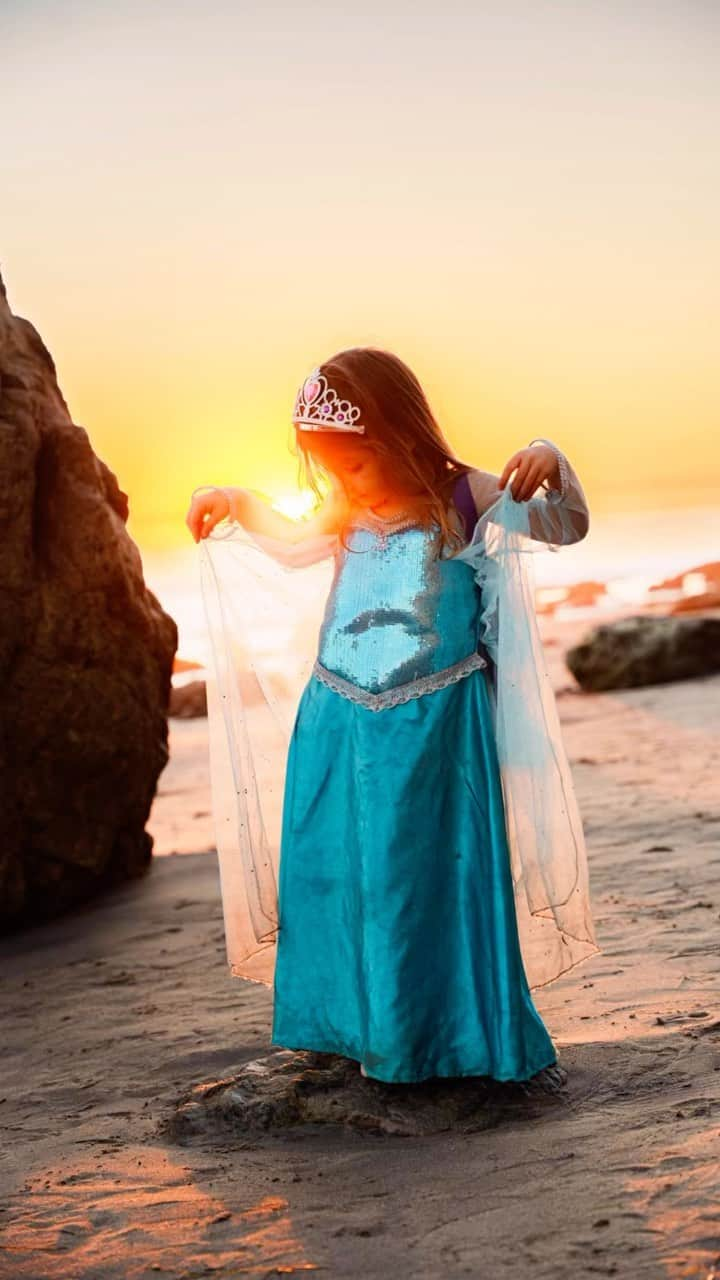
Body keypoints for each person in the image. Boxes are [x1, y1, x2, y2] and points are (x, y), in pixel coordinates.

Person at [186, 347, 600, 1085]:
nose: (342, 485)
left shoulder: (468, 497)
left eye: (353, 465)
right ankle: (354, 1026)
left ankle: (438, 1037)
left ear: (400, 434)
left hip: (437, 721)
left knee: (426, 876)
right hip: (339, 715)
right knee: (339, 874)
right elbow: (287, 545)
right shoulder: (345, 510)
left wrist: (549, 456)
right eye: (330, 472)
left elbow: (565, 525)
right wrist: (233, 496)